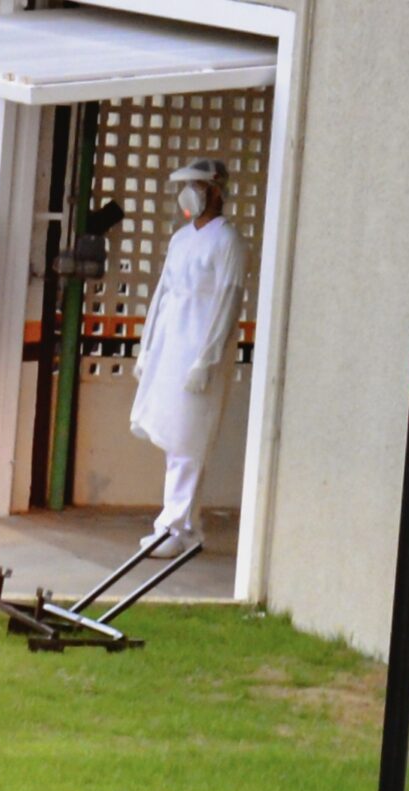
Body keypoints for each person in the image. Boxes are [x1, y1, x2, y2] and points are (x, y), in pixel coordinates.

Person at [130, 158, 246, 559]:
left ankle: (173, 525)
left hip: (198, 353)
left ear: (214, 189)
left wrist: (207, 360)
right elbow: (162, 294)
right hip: (169, 348)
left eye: (195, 185)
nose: (188, 193)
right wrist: (147, 346)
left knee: (189, 441)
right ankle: (186, 526)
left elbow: (228, 303)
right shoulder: (181, 240)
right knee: (173, 438)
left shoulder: (227, 241)